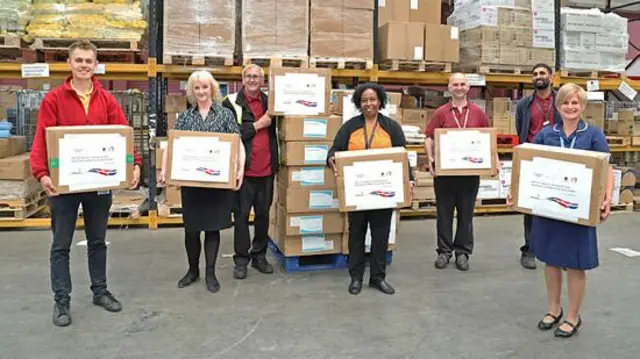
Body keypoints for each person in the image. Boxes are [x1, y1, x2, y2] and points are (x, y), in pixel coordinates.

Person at [29, 40, 143, 327]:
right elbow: (41, 139)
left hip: (97, 185)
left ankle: (100, 292)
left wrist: (136, 164)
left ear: (95, 65)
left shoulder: (106, 101)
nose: (83, 65)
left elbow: (124, 135)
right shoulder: (54, 99)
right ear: (70, 63)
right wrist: (41, 173)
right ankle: (62, 302)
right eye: (78, 60)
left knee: (97, 241)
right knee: (61, 244)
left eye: (88, 61)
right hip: (63, 187)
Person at [508, 83, 613, 338]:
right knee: (551, 261)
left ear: (583, 106)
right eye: (565, 102)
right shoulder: (547, 134)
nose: (570, 107)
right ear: (559, 106)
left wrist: (607, 197)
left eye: (575, 103)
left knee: (576, 264)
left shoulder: (593, 135)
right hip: (550, 209)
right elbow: (531, 163)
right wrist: (517, 191)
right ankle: (554, 309)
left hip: (579, 210)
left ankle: (573, 316)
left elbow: (607, 168)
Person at [160, 71, 245, 294]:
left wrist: (240, 170)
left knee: (212, 228)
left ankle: (210, 273)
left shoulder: (225, 115)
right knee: (191, 230)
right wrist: (166, 170)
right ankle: (192, 270)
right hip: (193, 183)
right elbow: (172, 144)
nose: (201, 92)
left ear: (212, 89)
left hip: (217, 185)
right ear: (192, 91)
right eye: (197, 88)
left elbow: (238, 144)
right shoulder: (186, 117)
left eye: (205, 87)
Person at [327, 83, 413, 295]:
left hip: (384, 194)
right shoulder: (350, 127)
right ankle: (355, 277)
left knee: (381, 235)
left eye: (372, 99)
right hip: (358, 193)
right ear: (359, 103)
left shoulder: (391, 127)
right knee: (356, 235)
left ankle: (377, 277)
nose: (369, 104)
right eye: (364, 100)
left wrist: (409, 179)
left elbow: (403, 157)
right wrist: (331, 159)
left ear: (380, 101)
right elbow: (334, 150)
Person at [424, 73, 493, 272]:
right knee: (444, 213)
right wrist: (430, 158)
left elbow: (488, 139)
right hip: (445, 174)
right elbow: (429, 137)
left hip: (469, 174)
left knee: (466, 214)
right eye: (456, 84)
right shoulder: (441, 112)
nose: (460, 87)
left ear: (468, 86)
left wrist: (493, 161)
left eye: (463, 84)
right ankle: (444, 252)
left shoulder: (478, 112)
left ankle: (462, 252)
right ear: (449, 87)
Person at [222, 64, 278, 280]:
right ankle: (241, 260)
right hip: (243, 172)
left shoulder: (270, 102)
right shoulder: (231, 103)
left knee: (263, 216)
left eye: (257, 76)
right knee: (242, 217)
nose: (253, 79)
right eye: (249, 76)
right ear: (242, 79)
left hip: (267, 170)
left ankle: (259, 256)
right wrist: (258, 124)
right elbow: (230, 134)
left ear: (262, 81)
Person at [515, 63, 563, 270]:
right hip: (534, 161)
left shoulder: (562, 101)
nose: (538, 77)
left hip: (560, 158)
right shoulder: (524, 105)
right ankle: (530, 250)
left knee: (559, 204)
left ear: (551, 77)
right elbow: (521, 130)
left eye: (542, 73)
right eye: (535, 74)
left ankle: (558, 252)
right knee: (532, 206)